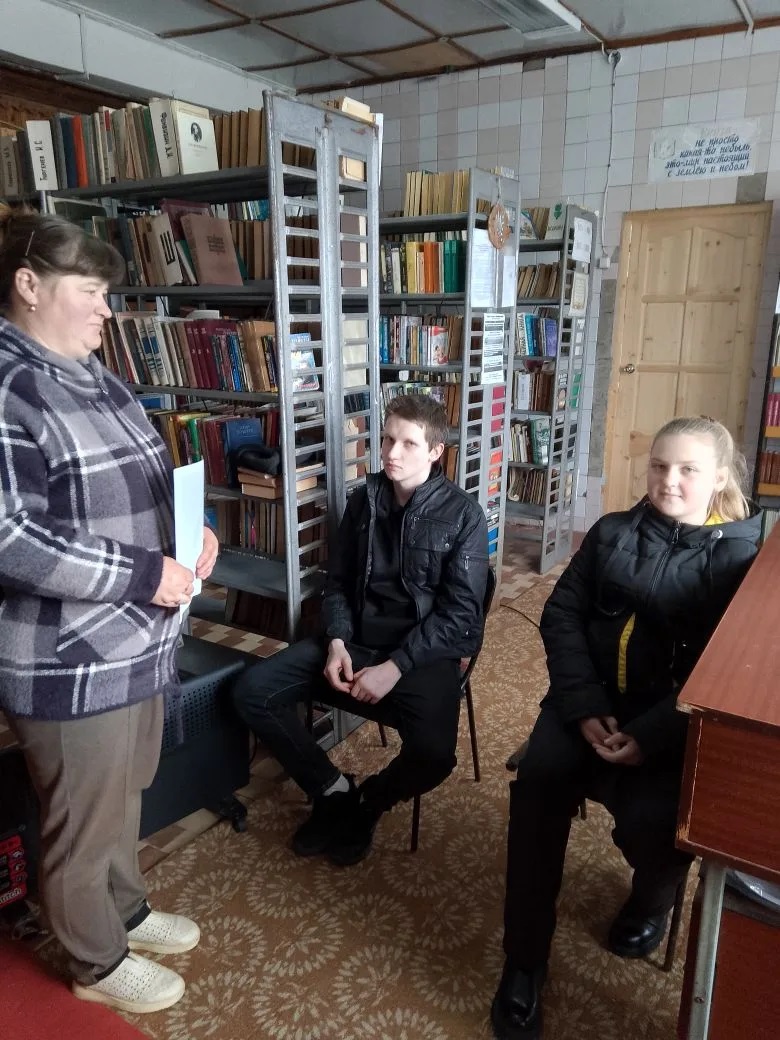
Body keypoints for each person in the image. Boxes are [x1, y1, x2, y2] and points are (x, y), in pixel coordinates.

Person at [0, 206, 219, 1013]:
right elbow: (10, 537)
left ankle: (125, 911)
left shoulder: (99, 376)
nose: (106, 309)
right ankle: (95, 962)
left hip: (135, 641)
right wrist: (144, 573)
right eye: (89, 290)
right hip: (66, 658)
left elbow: (152, 481)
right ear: (29, 286)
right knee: (81, 822)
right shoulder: (8, 386)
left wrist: (198, 533)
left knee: (125, 791)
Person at [491, 416, 762, 1040]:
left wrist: (650, 735)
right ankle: (524, 961)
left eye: (688, 470)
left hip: (668, 724)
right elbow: (561, 614)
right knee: (536, 789)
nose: (669, 481)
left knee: (658, 823)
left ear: (720, 477)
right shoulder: (612, 532)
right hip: (585, 706)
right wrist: (583, 706)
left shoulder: (743, 559)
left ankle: (650, 901)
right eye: (659, 466)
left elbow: (721, 667)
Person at [232, 393, 489, 866]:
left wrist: (396, 667)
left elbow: (460, 617)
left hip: (420, 654)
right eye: (388, 439)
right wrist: (335, 641)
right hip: (354, 642)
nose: (391, 453)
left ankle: (369, 802)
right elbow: (339, 583)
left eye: (408, 443)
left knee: (435, 754)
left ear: (436, 451)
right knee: (252, 691)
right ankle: (332, 790)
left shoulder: (463, 515)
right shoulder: (364, 500)